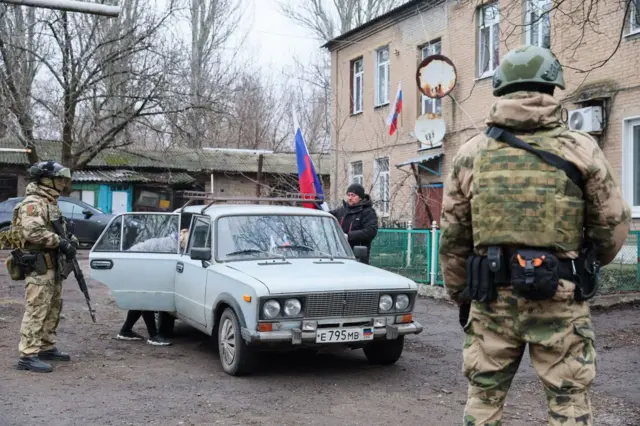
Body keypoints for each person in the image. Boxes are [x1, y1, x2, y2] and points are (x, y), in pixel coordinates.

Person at [438, 45, 631, 426]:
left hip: (490, 295)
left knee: (483, 397)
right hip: (558, 295)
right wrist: (582, 265)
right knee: (569, 400)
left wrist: (461, 292)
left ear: (499, 87)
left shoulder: (471, 153)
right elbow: (612, 223)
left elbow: (453, 234)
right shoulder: (581, 149)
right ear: (553, 87)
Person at [11, 161, 79, 373]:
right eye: (58, 179)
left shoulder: (50, 202)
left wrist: (71, 240)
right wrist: (61, 243)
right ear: (45, 179)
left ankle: (46, 346)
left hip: (53, 263)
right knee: (37, 307)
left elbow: (59, 228)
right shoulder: (33, 203)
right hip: (39, 263)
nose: (62, 183)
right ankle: (28, 355)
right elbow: (34, 233)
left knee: (53, 306)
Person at [116, 226, 190, 346]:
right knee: (147, 298)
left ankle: (125, 331)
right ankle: (153, 336)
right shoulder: (170, 248)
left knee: (140, 300)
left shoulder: (171, 242)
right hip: (132, 263)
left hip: (133, 262)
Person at [329, 183, 378, 264]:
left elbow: (370, 231)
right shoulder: (342, 210)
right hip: (339, 255)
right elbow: (328, 217)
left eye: (353, 195)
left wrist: (349, 236)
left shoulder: (368, 212)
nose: (350, 198)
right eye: (349, 195)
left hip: (358, 257)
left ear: (360, 197)